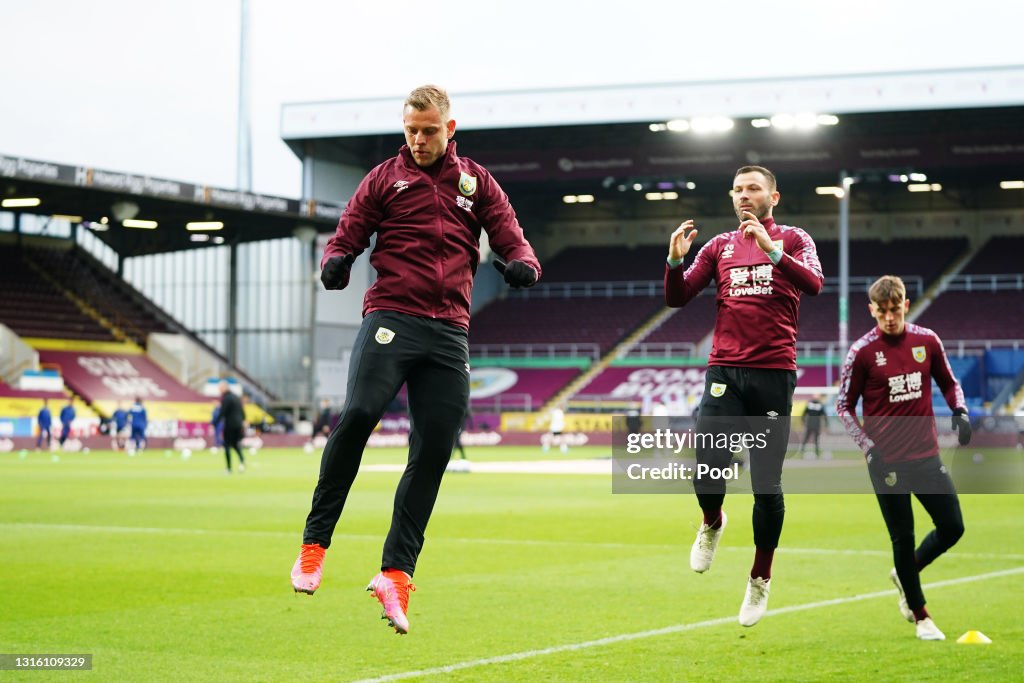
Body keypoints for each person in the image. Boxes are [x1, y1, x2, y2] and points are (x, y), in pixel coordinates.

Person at [290, 84, 541, 635]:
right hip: (392, 318)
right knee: (357, 415)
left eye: (429, 130)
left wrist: (523, 264)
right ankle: (314, 545)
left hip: (450, 332)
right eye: (411, 130)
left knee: (432, 453)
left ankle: (396, 574)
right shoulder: (384, 178)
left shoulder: (477, 183)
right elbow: (349, 231)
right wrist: (336, 259)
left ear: (450, 128)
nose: (420, 139)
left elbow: (512, 239)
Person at [665, 165, 823, 626]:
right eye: (737, 190)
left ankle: (760, 578)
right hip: (725, 372)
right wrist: (675, 262)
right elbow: (678, 298)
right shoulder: (718, 247)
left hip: (774, 374)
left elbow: (814, 284)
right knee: (706, 466)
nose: (743, 196)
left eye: (753, 189)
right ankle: (712, 520)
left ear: (775, 196)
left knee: (766, 487)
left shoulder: (794, 239)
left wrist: (773, 250)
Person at [835, 275, 971, 641]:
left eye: (895, 310)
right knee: (902, 537)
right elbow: (844, 407)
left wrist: (959, 410)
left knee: (953, 527)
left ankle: (905, 572)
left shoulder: (927, 341)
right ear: (872, 310)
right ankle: (921, 615)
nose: (890, 318)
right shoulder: (861, 352)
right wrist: (869, 449)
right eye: (882, 311)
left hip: (926, 456)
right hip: (887, 464)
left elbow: (949, 382)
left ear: (906, 305)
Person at [214, 381, 246, 473]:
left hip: (230, 425)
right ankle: (242, 461)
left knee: (227, 445)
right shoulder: (236, 397)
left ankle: (228, 468)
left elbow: (223, 412)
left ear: (224, 388)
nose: (219, 390)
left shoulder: (226, 398)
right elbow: (242, 411)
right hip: (238, 424)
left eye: (220, 388)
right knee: (235, 444)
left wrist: (215, 423)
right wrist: (243, 420)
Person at [800, 394, 828, 459]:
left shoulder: (809, 404)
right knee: (816, 439)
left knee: (806, 438)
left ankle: (802, 451)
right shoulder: (820, 405)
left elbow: (803, 414)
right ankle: (817, 453)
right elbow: (824, 415)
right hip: (816, 424)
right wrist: (826, 424)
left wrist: (803, 421)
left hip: (810, 424)